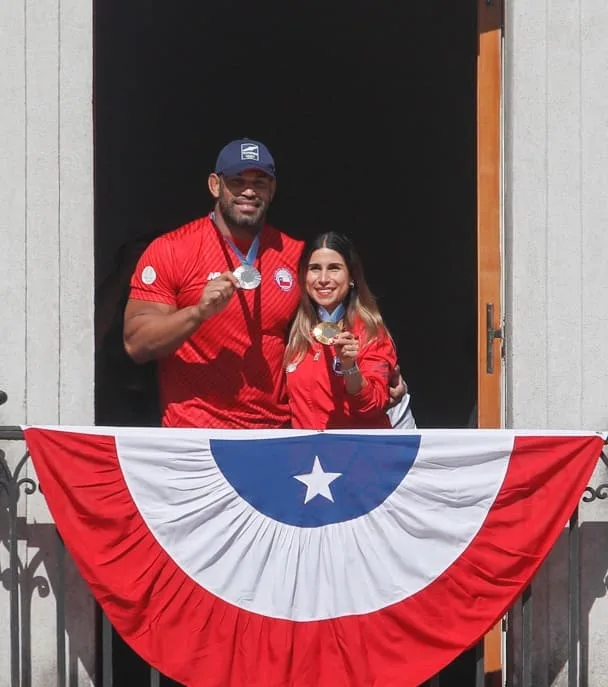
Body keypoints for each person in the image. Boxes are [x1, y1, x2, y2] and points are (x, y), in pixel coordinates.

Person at [123, 138, 407, 428]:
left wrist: (378, 376)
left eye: (260, 182)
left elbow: (345, 320)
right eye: (237, 181)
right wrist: (197, 314)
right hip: (197, 432)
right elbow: (136, 344)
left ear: (272, 190)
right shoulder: (172, 249)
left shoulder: (295, 254)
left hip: (277, 433)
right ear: (215, 185)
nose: (249, 191)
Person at [285, 232, 397, 429]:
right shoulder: (295, 333)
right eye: (314, 269)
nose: (323, 279)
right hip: (309, 455)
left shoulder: (370, 332)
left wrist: (349, 367)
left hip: (357, 453)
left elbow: (373, 406)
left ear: (352, 276)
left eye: (334, 268)